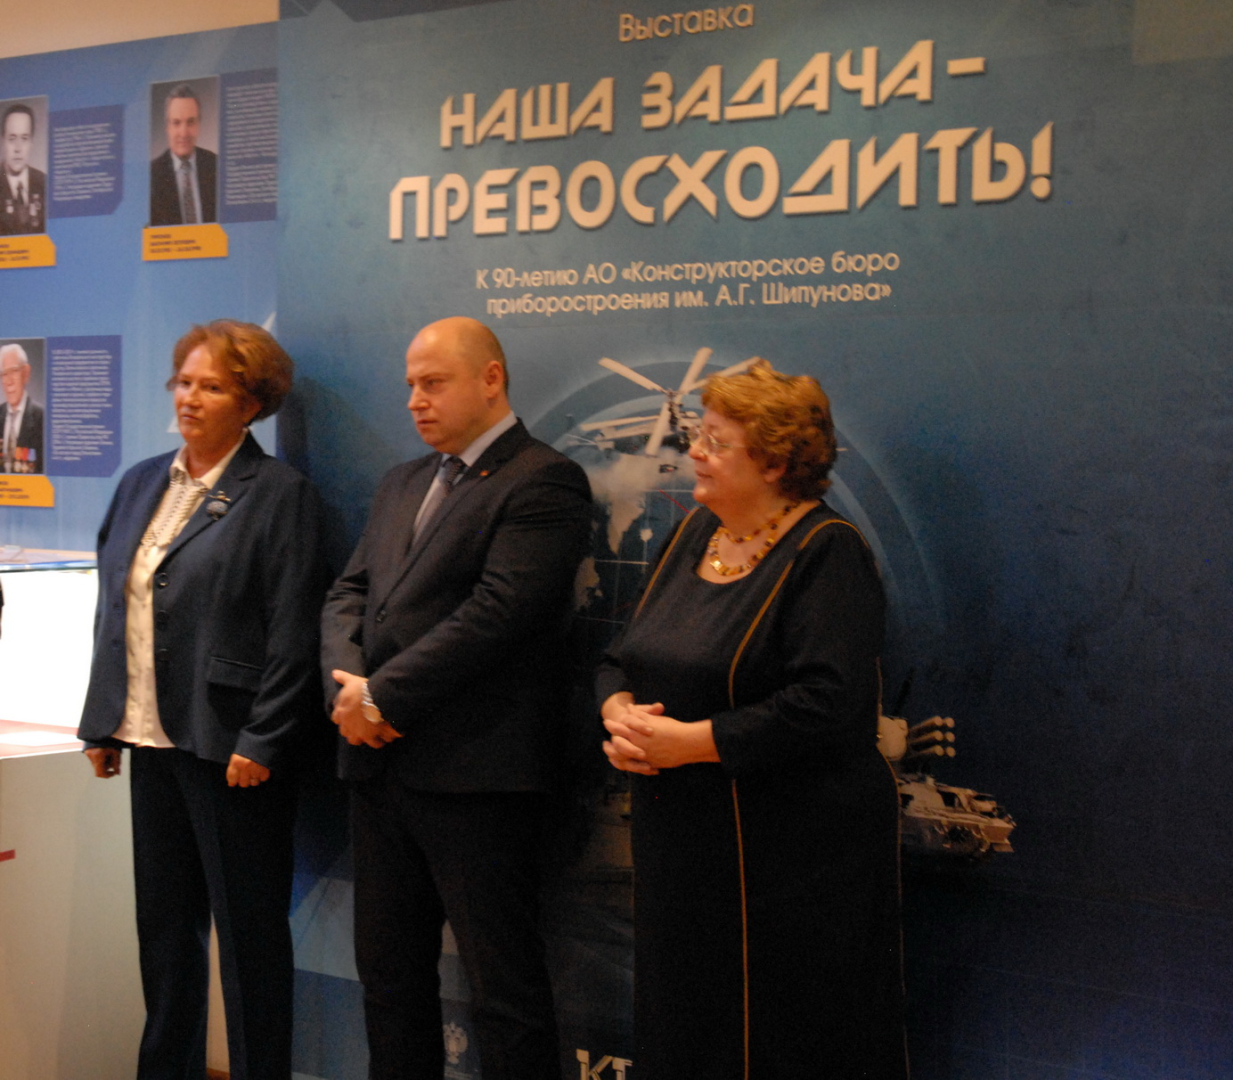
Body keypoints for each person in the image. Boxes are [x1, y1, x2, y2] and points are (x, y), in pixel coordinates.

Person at [598, 359, 908, 1080]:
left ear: (773, 463)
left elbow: (827, 703)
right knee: (686, 1033)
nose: (694, 453)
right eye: (698, 436)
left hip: (792, 865)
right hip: (682, 851)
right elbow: (621, 657)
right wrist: (617, 713)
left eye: (715, 441)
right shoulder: (691, 535)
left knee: (776, 1041)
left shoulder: (827, 550)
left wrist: (693, 743)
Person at [321, 316, 592, 1080]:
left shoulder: (542, 479)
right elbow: (347, 594)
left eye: (432, 383)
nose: (414, 400)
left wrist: (381, 698)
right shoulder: (401, 481)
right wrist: (348, 688)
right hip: (380, 775)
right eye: (410, 384)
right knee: (389, 979)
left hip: (478, 779)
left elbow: (499, 614)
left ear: (491, 379)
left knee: (503, 990)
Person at [77, 320, 326, 1080]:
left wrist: (264, 738)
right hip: (151, 739)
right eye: (184, 382)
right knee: (164, 936)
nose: (189, 398)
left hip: (231, 750)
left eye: (211, 386)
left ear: (251, 404)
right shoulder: (141, 481)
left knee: (248, 941)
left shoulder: (278, 494)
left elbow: (294, 627)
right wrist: (103, 721)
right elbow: (114, 607)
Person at [149, 84, 218, 226]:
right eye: (176, 123)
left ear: (199, 125)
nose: (184, 132)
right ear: (167, 127)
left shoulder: (217, 166)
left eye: (190, 122)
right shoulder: (151, 176)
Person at [0, 104, 46, 235]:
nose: (18, 148)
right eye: (12, 139)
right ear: (3, 141)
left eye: (24, 139)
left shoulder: (44, 183)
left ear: (31, 142)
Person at [1, 342, 44, 474]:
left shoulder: (43, 419)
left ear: (26, 373)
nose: (9, 382)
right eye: (4, 374)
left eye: (14, 371)